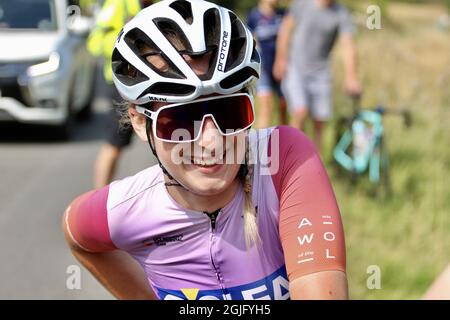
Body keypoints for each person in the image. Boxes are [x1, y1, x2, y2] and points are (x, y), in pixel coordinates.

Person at [63, 0, 347, 300]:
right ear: (138, 122)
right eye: (182, 119)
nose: (211, 141)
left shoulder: (284, 160)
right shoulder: (128, 209)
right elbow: (77, 234)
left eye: (229, 112)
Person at [273, 0, 361, 150]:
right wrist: (281, 58)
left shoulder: (341, 13)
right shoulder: (302, 4)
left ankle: (314, 162)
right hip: (296, 68)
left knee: (320, 122)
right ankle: (292, 157)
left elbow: (348, 46)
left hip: (321, 72)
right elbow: (285, 29)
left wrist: (350, 76)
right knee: (300, 112)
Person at [87, 0, 152, 189]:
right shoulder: (119, 4)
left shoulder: (145, 3)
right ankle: (98, 202)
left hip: (145, 82)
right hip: (123, 83)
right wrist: (128, 42)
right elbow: (95, 42)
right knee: (114, 144)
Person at [247, 0, 287, 128]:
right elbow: (250, 42)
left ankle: (285, 141)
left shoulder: (283, 14)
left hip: (282, 67)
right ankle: (261, 145)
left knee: (283, 106)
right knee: (266, 107)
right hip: (263, 68)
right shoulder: (253, 16)